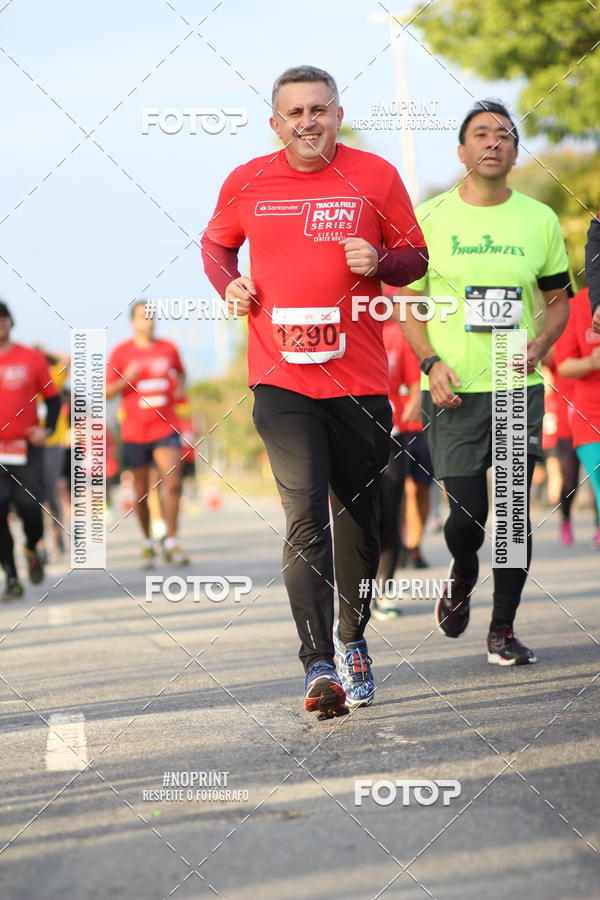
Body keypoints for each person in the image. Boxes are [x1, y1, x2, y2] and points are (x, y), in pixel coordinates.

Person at [201, 65, 427, 717]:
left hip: (359, 380)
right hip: (281, 380)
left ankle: (354, 641)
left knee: (360, 517)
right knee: (304, 515)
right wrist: (231, 286)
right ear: (276, 124)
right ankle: (317, 663)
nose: (308, 121)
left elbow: (416, 257)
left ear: (337, 113)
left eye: (319, 109)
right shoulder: (247, 181)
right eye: (294, 112)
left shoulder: (377, 176)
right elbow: (216, 248)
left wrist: (380, 261)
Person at [400, 99, 571, 666]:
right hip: (452, 388)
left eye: (504, 135)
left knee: (514, 513)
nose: (493, 143)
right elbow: (408, 305)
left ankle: (503, 629)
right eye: (480, 134)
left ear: (516, 153)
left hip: (517, 383)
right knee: (467, 516)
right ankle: (461, 573)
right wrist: (430, 363)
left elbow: (556, 304)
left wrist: (541, 345)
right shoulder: (429, 217)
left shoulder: (539, 219)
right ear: (462, 150)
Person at [106, 299, 189, 568]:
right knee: (141, 493)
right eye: (143, 317)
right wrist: (125, 380)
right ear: (133, 322)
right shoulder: (121, 353)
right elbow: (106, 393)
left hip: (165, 427)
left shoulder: (168, 348)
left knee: (173, 483)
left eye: (152, 316)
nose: (149, 321)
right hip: (134, 431)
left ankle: (172, 542)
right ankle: (147, 541)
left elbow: (181, 373)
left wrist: (178, 389)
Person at [0, 301, 62, 600]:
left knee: (30, 510)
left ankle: (32, 546)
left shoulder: (31, 358)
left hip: (26, 450)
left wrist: (47, 429)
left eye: (3, 318)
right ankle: (11, 578)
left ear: (11, 322)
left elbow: (53, 399)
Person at [373, 305, 421, 620]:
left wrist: (402, 423)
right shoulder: (339, 329)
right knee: (357, 518)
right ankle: (353, 593)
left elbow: (416, 386)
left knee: (390, 515)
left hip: (393, 439)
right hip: (351, 440)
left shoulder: (396, 335)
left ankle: (383, 591)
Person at [554, 286, 600, 545]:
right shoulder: (576, 306)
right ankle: (566, 519)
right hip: (587, 416)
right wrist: (592, 362)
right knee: (570, 479)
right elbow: (563, 364)